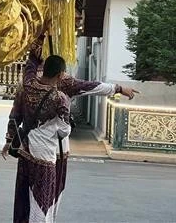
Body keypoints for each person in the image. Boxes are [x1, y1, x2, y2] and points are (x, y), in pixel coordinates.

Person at [16, 30, 139, 211]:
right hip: (53, 150)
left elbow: (31, 62)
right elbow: (91, 89)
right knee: (46, 201)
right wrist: (119, 88)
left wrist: (41, 33)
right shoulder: (62, 87)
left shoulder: (29, 80)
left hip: (27, 148)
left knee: (25, 198)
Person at [2, 34, 71, 223]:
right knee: (41, 204)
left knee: (22, 200)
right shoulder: (60, 98)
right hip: (45, 157)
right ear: (60, 75)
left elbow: (15, 115)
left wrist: (8, 140)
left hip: (25, 152)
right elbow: (64, 131)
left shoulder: (28, 85)